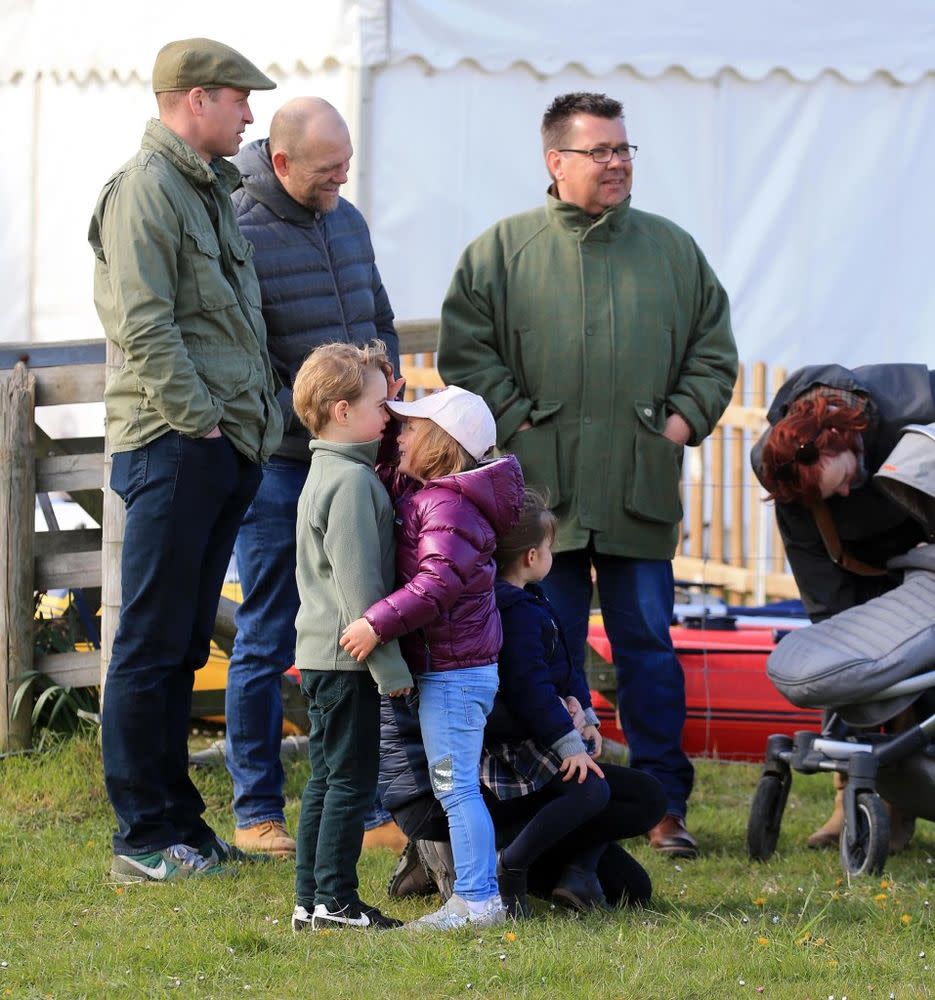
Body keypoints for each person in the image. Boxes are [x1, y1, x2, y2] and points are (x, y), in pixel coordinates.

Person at [437, 91, 737, 858]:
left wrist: (676, 423)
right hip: (541, 505)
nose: (616, 163)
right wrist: (521, 423)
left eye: (624, 149)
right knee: (547, 653)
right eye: (600, 151)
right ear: (555, 161)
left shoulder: (673, 251)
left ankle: (664, 805)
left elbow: (713, 351)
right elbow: (467, 354)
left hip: (638, 492)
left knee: (646, 648)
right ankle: (557, 801)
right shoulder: (498, 253)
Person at [88, 37, 283, 883]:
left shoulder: (204, 190)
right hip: (175, 444)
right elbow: (146, 323)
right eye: (240, 98)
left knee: (178, 646)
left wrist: (237, 431)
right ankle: (141, 836)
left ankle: (180, 825)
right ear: (195, 99)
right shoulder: (146, 191)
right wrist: (200, 423)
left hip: (216, 446)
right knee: (149, 642)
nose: (250, 114)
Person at [225, 96, 402, 857]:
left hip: (354, 464)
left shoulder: (348, 219)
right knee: (267, 634)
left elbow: (379, 317)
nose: (341, 180)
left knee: (359, 623)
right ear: (282, 161)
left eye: (346, 168)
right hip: (280, 469)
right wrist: (297, 424)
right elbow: (241, 350)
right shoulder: (238, 226)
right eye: (328, 171)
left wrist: (382, 382)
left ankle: (361, 808)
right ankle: (257, 809)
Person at [340, 387, 525, 930]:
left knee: (455, 784)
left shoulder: (447, 504)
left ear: (442, 444)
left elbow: (436, 584)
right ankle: (476, 895)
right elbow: (388, 470)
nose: (399, 434)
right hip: (452, 669)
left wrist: (376, 623)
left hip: (455, 674)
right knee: (454, 782)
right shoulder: (434, 494)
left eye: (412, 429)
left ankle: (477, 899)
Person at [752, 362, 935, 848]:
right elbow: (811, 558)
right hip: (851, 561)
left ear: (839, 440)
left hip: (925, 549)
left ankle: (905, 800)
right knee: (842, 667)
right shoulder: (784, 467)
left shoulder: (916, 400)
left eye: (844, 481)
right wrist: (834, 631)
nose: (848, 492)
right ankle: (850, 795)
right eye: (834, 495)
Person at [486, 488, 666, 916]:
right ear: (532, 556)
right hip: (526, 754)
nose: (554, 554)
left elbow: (565, 666)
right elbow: (527, 687)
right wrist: (568, 740)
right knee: (599, 791)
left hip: (553, 734)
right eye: (550, 547)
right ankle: (511, 865)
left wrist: (584, 714)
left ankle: (577, 872)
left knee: (633, 889)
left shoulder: (535, 599)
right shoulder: (513, 612)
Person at [288, 341, 413, 932]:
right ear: (342, 411)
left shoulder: (323, 472)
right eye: (378, 403)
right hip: (349, 659)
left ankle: (309, 900)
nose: (388, 413)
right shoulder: (356, 485)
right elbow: (363, 591)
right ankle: (336, 901)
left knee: (326, 777)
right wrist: (392, 672)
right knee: (352, 783)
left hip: (319, 654)